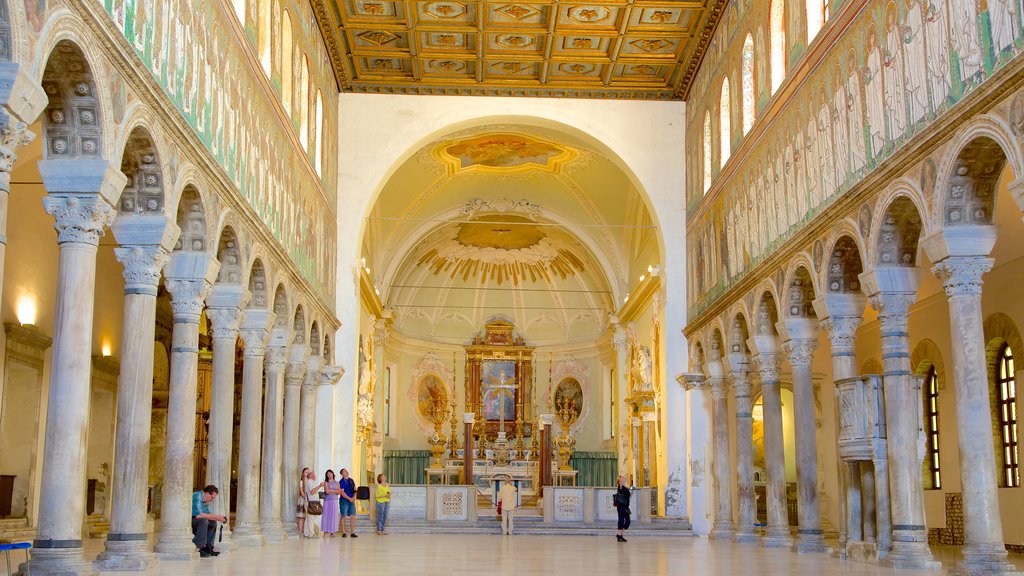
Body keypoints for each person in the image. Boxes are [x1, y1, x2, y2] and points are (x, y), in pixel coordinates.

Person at [191, 484, 226, 557]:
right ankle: (200, 548)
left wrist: (219, 518)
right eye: (212, 497)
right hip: (189, 519)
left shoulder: (205, 501)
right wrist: (216, 517)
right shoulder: (197, 496)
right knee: (203, 521)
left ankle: (208, 547)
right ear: (207, 493)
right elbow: (199, 515)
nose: (212, 500)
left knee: (213, 522)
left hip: (196, 519)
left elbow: (208, 515)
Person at [302, 468, 324, 538]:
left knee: (309, 518)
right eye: (314, 475)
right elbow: (312, 492)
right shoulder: (310, 482)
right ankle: (311, 534)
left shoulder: (311, 482)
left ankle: (306, 533)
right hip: (311, 503)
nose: (315, 476)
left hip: (313, 502)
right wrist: (320, 486)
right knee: (311, 518)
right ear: (311, 475)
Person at [322, 469, 342, 537]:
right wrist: (334, 491)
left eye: (330, 473)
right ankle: (326, 531)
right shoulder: (326, 483)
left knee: (334, 516)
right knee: (327, 515)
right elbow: (327, 491)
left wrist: (332, 491)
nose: (329, 475)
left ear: (333, 474)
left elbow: (339, 491)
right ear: (326, 475)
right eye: (328, 474)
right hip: (327, 501)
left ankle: (332, 532)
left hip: (334, 500)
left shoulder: (337, 482)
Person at [339, 468, 358, 538]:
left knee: (353, 516)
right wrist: (349, 498)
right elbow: (342, 492)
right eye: (344, 471)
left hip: (352, 500)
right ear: (342, 474)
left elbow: (355, 489)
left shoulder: (351, 480)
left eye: (346, 471)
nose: (346, 472)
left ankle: (353, 532)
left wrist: (354, 498)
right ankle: (344, 532)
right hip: (344, 500)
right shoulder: (341, 482)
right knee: (343, 515)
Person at [613, 475, 632, 543]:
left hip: (626, 507)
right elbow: (620, 487)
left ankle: (619, 534)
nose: (625, 479)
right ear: (620, 480)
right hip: (621, 507)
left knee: (628, 522)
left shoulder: (625, 488)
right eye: (623, 478)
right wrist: (620, 480)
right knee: (621, 520)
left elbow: (628, 497)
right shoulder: (620, 487)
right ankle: (619, 535)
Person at [296, 467, 310, 536]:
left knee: (306, 517)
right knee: (301, 516)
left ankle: (305, 531)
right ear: (303, 473)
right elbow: (301, 491)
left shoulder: (310, 481)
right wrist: (305, 497)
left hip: (308, 499)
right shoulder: (302, 481)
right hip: (303, 499)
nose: (307, 473)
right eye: (306, 472)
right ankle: (300, 532)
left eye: (308, 472)